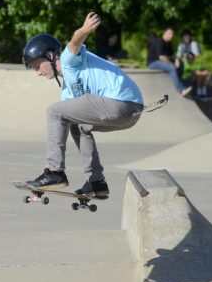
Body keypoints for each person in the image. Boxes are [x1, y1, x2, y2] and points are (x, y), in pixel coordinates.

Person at [22, 12, 144, 197]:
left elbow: (74, 43)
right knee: (78, 125)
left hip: (120, 101)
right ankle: (96, 181)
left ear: (49, 55)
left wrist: (84, 30)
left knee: (53, 111)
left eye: (37, 66)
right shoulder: (68, 91)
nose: (37, 73)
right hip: (130, 112)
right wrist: (41, 188)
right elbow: (60, 128)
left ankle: (56, 173)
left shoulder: (68, 60)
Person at [147, 27, 190, 96]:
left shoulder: (169, 43)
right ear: (165, 33)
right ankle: (181, 90)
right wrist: (171, 64)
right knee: (172, 67)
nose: (171, 36)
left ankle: (180, 83)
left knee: (181, 64)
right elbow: (161, 57)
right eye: (170, 33)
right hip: (152, 63)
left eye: (172, 34)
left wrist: (176, 60)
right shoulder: (159, 41)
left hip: (161, 62)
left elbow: (172, 55)